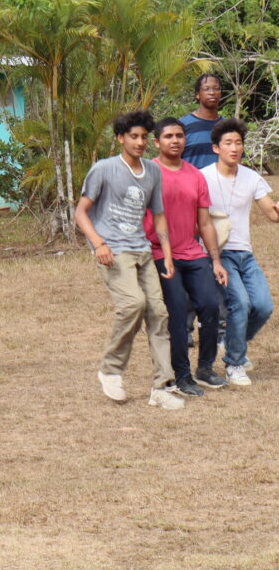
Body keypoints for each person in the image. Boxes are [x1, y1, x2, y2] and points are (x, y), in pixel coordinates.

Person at [74, 110, 183, 410]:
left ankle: (162, 386)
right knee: (133, 304)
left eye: (144, 137)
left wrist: (168, 255)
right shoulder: (104, 169)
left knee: (159, 315)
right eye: (133, 136)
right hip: (113, 251)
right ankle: (110, 369)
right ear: (120, 138)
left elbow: (158, 216)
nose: (139, 142)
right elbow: (80, 212)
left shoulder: (152, 171)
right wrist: (98, 244)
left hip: (143, 250)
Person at [142, 118, 229, 396]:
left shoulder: (195, 175)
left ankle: (205, 368)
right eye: (168, 136)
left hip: (193, 253)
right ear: (157, 142)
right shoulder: (148, 173)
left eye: (179, 135)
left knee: (211, 305)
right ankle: (181, 375)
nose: (175, 140)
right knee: (178, 313)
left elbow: (205, 223)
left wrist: (215, 260)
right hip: (160, 254)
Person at [201, 118, 279, 386]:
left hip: (245, 253)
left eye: (238, 143)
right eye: (228, 143)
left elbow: (271, 213)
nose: (234, 148)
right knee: (240, 304)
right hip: (219, 253)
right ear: (216, 148)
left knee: (263, 306)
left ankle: (233, 342)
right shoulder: (203, 177)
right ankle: (235, 364)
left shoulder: (251, 176)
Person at [180, 74, 224, 170]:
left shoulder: (229, 127)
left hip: (222, 184)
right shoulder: (182, 126)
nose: (212, 92)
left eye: (216, 88)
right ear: (197, 94)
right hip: (191, 184)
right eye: (206, 89)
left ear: (220, 94)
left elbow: (237, 162)